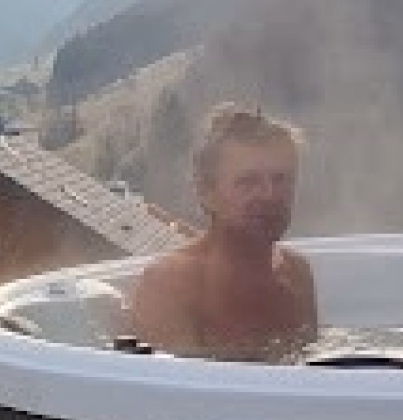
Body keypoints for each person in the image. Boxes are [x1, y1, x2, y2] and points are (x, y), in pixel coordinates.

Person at [129, 106, 319, 360]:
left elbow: (314, 377)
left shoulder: (296, 273)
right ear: (206, 192)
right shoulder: (172, 285)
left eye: (281, 179)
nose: (269, 194)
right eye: (248, 182)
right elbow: (177, 394)